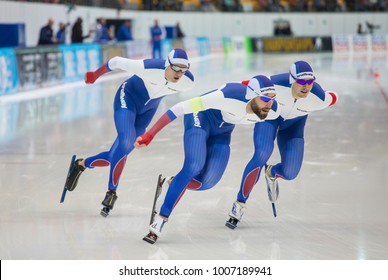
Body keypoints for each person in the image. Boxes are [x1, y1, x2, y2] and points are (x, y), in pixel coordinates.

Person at [135, 75, 281, 244]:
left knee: (207, 183)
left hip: (222, 132)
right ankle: (160, 219)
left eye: (272, 99)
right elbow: (178, 108)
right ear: (251, 95)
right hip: (200, 118)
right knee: (194, 165)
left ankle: (171, 183)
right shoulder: (226, 96)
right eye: (265, 99)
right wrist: (149, 134)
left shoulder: (272, 110)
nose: (269, 104)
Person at [63, 48, 195, 217]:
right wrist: (94, 75)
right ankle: (112, 192)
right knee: (125, 141)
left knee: (117, 154)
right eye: (176, 68)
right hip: (127, 98)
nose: (179, 73)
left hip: (148, 110)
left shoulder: (188, 81)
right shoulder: (149, 67)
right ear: (167, 65)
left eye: (183, 69)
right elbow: (115, 61)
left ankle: (81, 164)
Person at [226, 61, 338, 229]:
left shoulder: (318, 97)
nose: (306, 86)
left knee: (291, 172)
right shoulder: (275, 85)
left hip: (294, 127)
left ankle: (272, 172)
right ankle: (239, 204)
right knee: (262, 154)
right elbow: (246, 86)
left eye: (310, 81)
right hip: (270, 119)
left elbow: (333, 97)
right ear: (291, 79)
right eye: (301, 81)